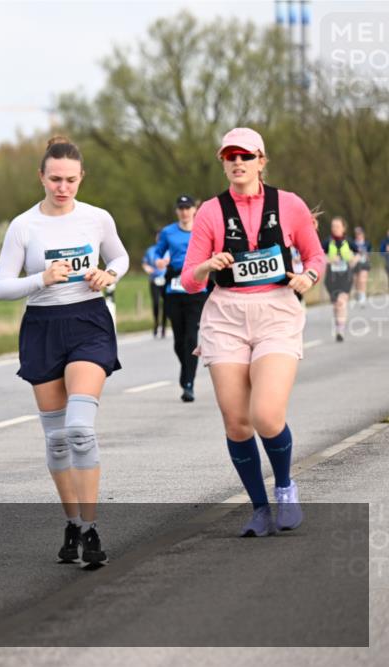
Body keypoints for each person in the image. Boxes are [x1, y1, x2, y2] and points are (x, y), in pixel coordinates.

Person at [181, 127, 325, 537]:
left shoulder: (289, 205)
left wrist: (309, 275)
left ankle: (284, 488)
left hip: (276, 312)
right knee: (237, 423)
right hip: (225, 316)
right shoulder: (210, 211)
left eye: (246, 156)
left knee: (265, 414)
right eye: (230, 157)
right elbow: (190, 280)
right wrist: (208, 266)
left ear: (261, 161)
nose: (238, 163)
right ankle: (260, 509)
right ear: (222, 162)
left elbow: (315, 254)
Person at [0, 136, 129, 568]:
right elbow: (0, 287)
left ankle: (91, 530)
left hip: (89, 324)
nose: (62, 187)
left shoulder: (97, 218)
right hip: (42, 329)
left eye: (70, 179)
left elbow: (122, 258)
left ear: (80, 178)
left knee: (79, 430)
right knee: (56, 441)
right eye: (54, 179)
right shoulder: (23, 226)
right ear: (41, 177)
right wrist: (42, 279)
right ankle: (72, 523)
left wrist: (107, 275)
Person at [154, 195, 209, 402]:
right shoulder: (168, 232)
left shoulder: (202, 229)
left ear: (194, 209)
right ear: (177, 211)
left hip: (196, 289)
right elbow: (158, 253)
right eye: (181, 208)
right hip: (174, 289)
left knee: (191, 338)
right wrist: (159, 261)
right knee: (179, 341)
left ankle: (188, 383)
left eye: (188, 208)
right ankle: (186, 368)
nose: (184, 212)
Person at [324, 217, 355, 342]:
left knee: (342, 302)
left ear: (343, 228)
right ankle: (339, 326)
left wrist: (353, 260)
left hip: (346, 277)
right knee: (336, 305)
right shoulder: (327, 242)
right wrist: (329, 259)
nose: (335, 228)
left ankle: (340, 331)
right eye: (333, 226)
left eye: (337, 226)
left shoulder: (349, 241)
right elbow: (318, 256)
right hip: (331, 278)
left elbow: (360, 253)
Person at [141, 233, 168, 338]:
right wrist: (147, 268)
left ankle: (164, 327)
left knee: (166, 304)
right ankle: (156, 324)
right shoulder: (151, 250)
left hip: (166, 279)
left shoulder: (168, 250)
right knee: (156, 303)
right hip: (154, 280)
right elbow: (145, 262)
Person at [351, 226, 372, 306]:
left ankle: (363, 296)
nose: (358, 235)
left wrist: (366, 256)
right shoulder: (353, 243)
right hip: (356, 264)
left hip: (364, 263)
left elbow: (369, 253)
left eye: (359, 233)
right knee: (356, 281)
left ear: (363, 234)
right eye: (357, 234)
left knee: (362, 280)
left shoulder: (367, 243)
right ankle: (358, 294)